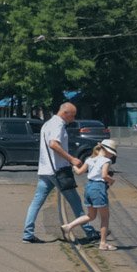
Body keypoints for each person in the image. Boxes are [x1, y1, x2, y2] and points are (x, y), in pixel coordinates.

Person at [21, 102, 99, 243]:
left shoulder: (47, 124)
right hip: (58, 171)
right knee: (75, 201)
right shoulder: (58, 124)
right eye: (72, 115)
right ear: (65, 113)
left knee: (36, 202)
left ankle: (27, 234)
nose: (73, 119)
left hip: (45, 170)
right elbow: (53, 144)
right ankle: (90, 232)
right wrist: (71, 159)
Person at [61, 139, 119, 250]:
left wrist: (73, 166)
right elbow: (104, 175)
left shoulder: (90, 159)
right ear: (106, 150)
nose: (112, 156)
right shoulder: (106, 160)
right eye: (112, 153)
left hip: (89, 187)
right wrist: (111, 180)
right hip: (98, 188)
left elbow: (79, 172)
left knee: (91, 215)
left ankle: (68, 226)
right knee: (105, 217)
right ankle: (103, 243)